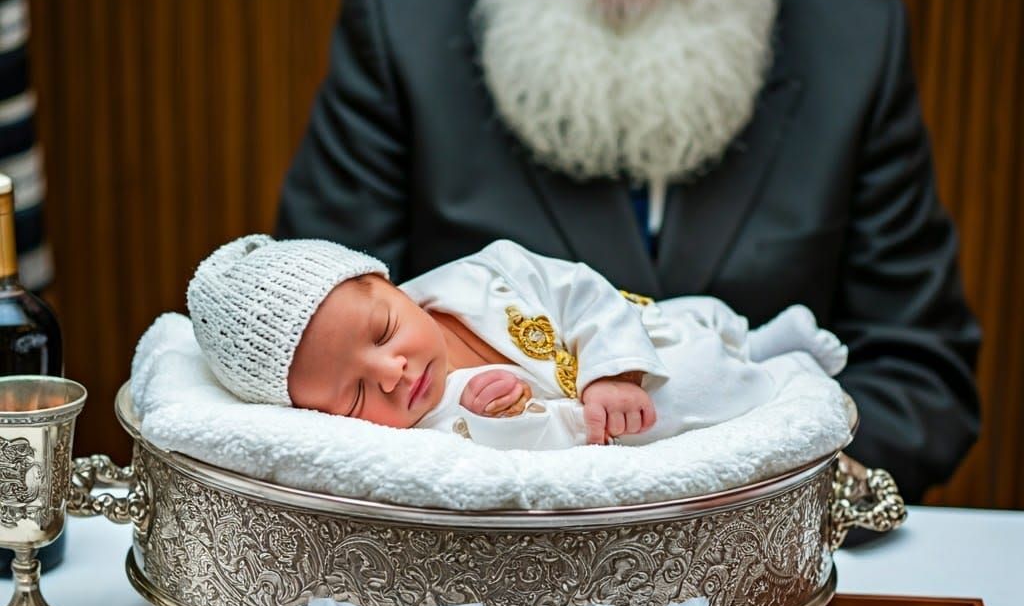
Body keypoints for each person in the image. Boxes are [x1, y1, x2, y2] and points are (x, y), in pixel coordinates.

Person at [275, 0, 980, 495]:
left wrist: (769, 479)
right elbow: (320, 339)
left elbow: (919, 370)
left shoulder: (856, 44)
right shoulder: (401, 22)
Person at [187, 234, 848, 451]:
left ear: (386, 282)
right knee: (698, 389)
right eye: (355, 394)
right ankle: (779, 369)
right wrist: (491, 418)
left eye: (384, 331)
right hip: (602, 423)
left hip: (622, 342)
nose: (390, 373)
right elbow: (489, 470)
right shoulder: (418, 434)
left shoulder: (483, 274)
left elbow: (584, 292)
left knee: (692, 324)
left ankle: (757, 338)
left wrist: (612, 373)